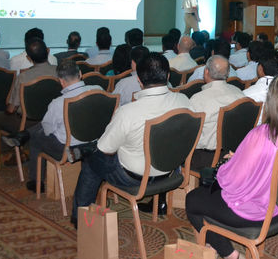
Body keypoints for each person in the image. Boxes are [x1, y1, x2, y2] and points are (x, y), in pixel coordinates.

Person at [185, 73, 278, 259]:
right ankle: (214, 244)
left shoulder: (262, 134)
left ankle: (229, 253)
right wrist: (242, 158)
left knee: (193, 199)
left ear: (272, 101)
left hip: (254, 213)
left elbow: (230, 180)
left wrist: (230, 163)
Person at [72, 53, 191, 224]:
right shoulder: (184, 101)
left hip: (134, 178)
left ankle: (80, 219)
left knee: (92, 160)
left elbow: (105, 149)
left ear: (139, 81)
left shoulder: (127, 112)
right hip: (171, 171)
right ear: (168, 76)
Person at [7, 59, 104, 192]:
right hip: (95, 142)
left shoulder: (58, 103)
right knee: (46, 126)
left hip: (67, 149)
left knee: (37, 137)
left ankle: (36, 182)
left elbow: (47, 130)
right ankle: (24, 134)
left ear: (61, 81)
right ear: (80, 74)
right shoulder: (98, 90)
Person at [0, 38, 57, 159]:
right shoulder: (60, 72)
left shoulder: (23, 77)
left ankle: (11, 147)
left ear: (29, 58)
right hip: (53, 120)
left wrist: (7, 110)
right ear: (48, 51)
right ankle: (19, 143)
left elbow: (11, 109)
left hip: (27, 122)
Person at [188, 55, 245, 170]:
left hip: (206, 159)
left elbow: (188, 134)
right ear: (228, 74)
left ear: (206, 72)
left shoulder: (197, 100)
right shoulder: (239, 93)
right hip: (236, 154)